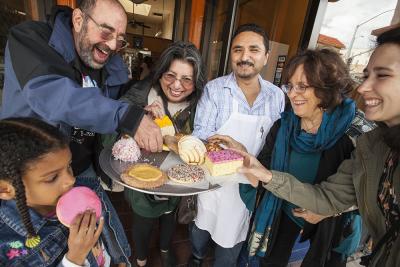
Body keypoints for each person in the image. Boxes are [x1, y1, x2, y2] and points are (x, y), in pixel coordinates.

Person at [235, 27, 400, 267]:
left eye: (303, 86)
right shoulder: (284, 126)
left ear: (324, 89)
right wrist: (243, 159)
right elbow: (264, 169)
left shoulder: (357, 134)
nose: (292, 94)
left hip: (330, 227)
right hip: (283, 213)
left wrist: (330, 211)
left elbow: (362, 192)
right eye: (290, 86)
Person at [1, 0, 162, 183]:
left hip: (82, 168)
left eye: (119, 39)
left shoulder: (110, 63)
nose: (111, 45)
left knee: (104, 213)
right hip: (31, 177)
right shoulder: (31, 38)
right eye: (106, 32)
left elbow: (121, 97)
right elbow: (56, 95)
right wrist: (127, 116)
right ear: (78, 20)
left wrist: (141, 107)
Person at [189, 23, 285, 267]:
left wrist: (254, 164)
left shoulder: (277, 96)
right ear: (230, 55)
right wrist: (234, 155)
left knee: (232, 240)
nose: (244, 57)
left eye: (253, 49)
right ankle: (197, 257)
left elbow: (278, 143)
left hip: (250, 186)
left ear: (266, 55)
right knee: (202, 228)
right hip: (214, 182)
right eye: (237, 50)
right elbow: (201, 134)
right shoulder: (215, 90)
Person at [0, 117, 130, 266]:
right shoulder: (7, 246)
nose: (71, 180)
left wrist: (121, 260)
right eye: (53, 177)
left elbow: (108, 225)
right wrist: (74, 259)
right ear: (5, 189)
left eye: (68, 165)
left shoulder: (84, 187)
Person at [121, 41, 205, 267]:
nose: (177, 85)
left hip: (176, 181)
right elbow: (112, 137)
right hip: (143, 180)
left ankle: (165, 249)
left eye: (187, 79)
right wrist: (137, 119)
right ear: (159, 74)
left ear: (195, 82)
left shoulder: (200, 106)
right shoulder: (139, 96)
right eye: (170, 75)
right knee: (143, 221)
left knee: (169, 217)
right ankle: (140, 259)